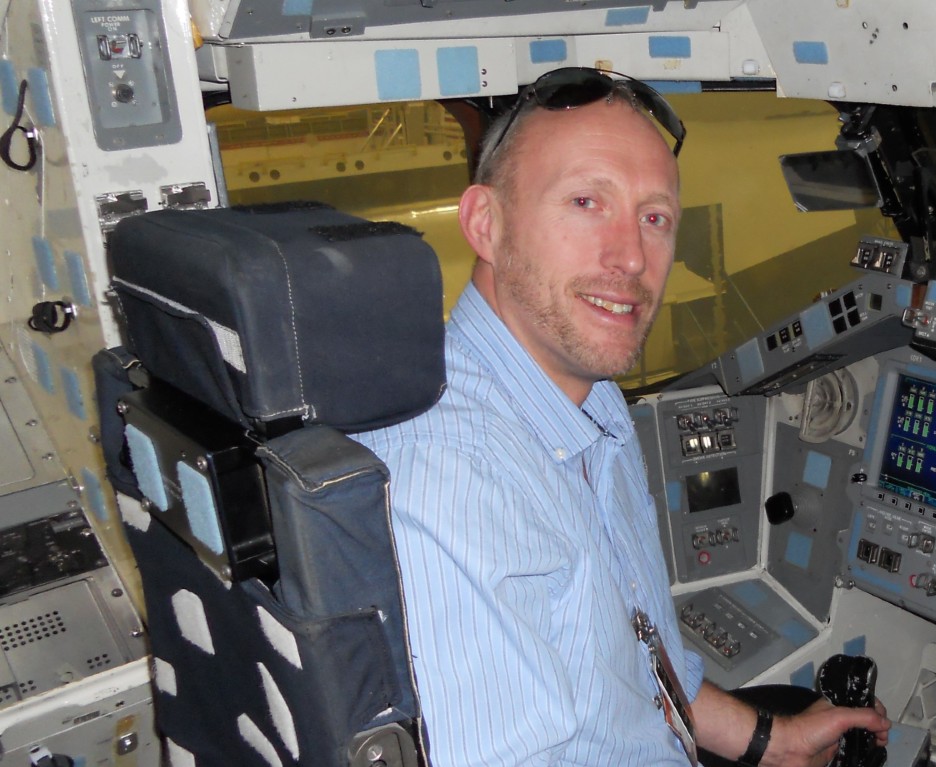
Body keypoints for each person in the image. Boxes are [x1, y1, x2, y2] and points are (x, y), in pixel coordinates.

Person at [355, 67, 892, 766]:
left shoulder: (589, 395)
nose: (632, 257)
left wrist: (772, 741)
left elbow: (638, 667)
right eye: (586, 202)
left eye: (655, 217)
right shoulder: (449, 485)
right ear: (485, 223)